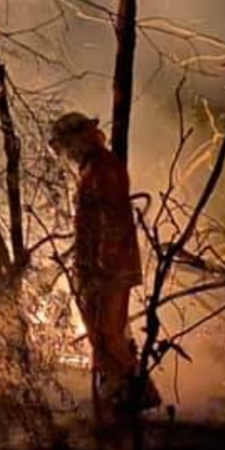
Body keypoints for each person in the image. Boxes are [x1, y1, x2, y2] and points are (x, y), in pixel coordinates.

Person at [48, 112, 160, 429]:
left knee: (108, 334)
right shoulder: (93, 168)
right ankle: (120, 396)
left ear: (79, 138)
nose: (66, 154)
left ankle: (139, 393)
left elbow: (111, 221)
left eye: (67, 145)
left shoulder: (102, 168)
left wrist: (102, 264)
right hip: (99, 267)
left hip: (109, 269)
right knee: (103, 335)